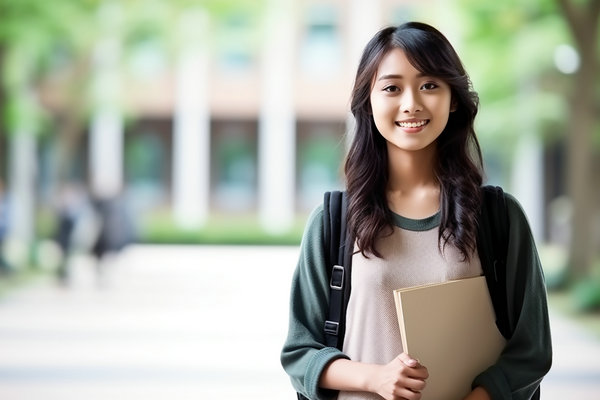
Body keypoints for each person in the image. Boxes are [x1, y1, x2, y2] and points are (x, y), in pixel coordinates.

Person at [280, 22, 552, 400]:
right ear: (368, 101)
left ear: (453, 98)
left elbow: (531, 350)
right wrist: (374, 378)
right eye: (392, 87)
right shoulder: (334, 221)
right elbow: (299, 353)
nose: (411, 103)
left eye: (429, 85)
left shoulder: (498, 217)